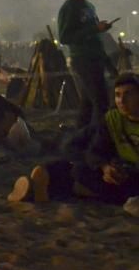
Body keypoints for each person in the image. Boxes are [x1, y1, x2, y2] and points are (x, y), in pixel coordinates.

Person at [10, 73, 139, 205]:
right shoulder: (113, 118)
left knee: (125, 189)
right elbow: (96, 150)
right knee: (79, 169)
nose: (122, 101)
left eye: (128, 94)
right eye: (118, 95)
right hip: (120, 171)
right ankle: (47, 181)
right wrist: (105, 167)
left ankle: (45, 188)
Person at [58, 0, 113, 127]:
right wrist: (95, 28)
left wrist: (107, 61)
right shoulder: (69, 8)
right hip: (83, 60)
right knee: (101, 102)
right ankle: (99, 140)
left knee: (88, 103)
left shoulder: (90, 7)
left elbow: (93, 35)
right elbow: (65, 37)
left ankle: (80, 137)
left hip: (96, 58)